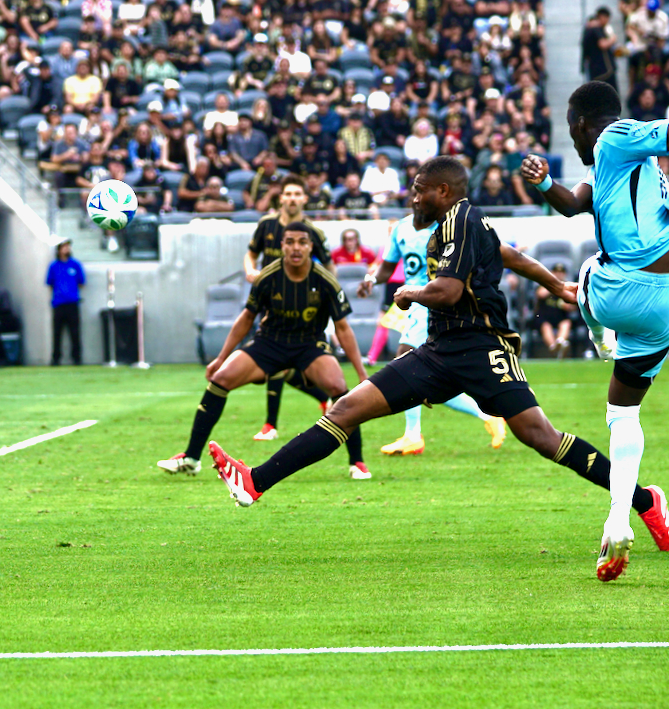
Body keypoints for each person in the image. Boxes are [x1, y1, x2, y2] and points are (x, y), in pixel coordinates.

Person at [207, 159, 627, 567]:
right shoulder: (455, 225)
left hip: (483, 349)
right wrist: (555, 284)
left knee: (541, 436)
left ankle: (643, 500)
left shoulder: (461, 221)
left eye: (419, 191)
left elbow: (447, 291)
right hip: (440, 351)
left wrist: (411, 292)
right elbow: (507, 255)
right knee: (346, 408)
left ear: (442, 191)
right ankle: (254, 481)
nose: (413, 199)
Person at [520, 80, 669, 580]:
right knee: (623, 412)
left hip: (622, 290)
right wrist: (543, 183)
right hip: (667, 303)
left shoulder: (615, 137)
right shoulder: (631, 166)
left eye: (570, 131)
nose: (573, 141)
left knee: (584, 272)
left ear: (581, 124)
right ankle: (619, 518)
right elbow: (572, 204)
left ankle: (600, 336)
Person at [358, 201, 573, 455]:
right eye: (416, 191)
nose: (419, 198)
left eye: (423, 191)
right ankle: (490, 411)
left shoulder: (449, 227)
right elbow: (386, 267)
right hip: (414, 301)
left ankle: (414, 435)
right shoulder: (401, 229)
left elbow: (499, 253)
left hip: (438, 300)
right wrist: (371, 279)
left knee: (408, 361)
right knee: (435, 373)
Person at [159, 223, 370, 479]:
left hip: (309, 345)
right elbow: (247, 317)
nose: (295, 248)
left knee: (339, 388)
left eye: (302, 242)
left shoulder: (325, 281)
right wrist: (221, 358)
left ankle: (357, 462)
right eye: (290, 242)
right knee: (220, 379)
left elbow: (343, 328)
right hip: (270, 342)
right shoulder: (267, 277)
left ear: (310, 247)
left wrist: (361, 373)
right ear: (282, 246)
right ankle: (192, 457)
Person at [242, 176, 336, 440]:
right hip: (269, 302)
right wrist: (250, 270)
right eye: (288, 194)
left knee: (282, 361)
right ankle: (321, 399)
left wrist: (329, 300)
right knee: (277, 363)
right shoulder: (266, 225)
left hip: (302, 306)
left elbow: (329, 268)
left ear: (305, 198)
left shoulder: (314, 232)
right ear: (281, 197)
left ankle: (271, 425)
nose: (292, 198)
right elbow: (251, 253)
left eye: (297, 194)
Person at [46, 238, 85, 366]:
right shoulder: (53, 266)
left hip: (72, 303)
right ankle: (56, 358)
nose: (67, 249)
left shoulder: (75, 264)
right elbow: (50, 283)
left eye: (68, 247)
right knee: (57, 333)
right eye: (64, 247)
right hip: (58, 304)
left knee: (75, 332)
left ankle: (76, 358)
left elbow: (81, 282)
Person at [535, 262, 578, 357]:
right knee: (546, 326)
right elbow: (540, 294)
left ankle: (560, 343)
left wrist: (568, 306)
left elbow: (574, 306)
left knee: (566, 323)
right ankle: (553, 348)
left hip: (561, 316)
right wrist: (554, 285)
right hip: (545, 316)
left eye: (561, 273)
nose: (559, 275)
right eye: (556, 272)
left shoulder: (567, 287)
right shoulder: (546, 284)